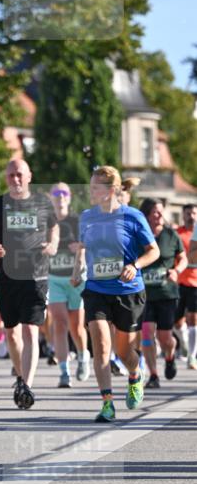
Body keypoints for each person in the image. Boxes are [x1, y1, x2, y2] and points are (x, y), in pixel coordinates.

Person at [71, 166, 159, 423]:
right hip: (96, 289)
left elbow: (152, 251)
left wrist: (135, 266)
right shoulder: (87, 217)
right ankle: (107, 403)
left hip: (128, 291)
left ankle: (135, 374)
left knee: (124, 353)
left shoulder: (133, 217)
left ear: (110, 191)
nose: (90, 192)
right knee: (100, 347)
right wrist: (77, 271)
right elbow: (83, 249)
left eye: (95, 187)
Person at [0, 159, 59, 409]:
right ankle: (20, 375)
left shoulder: (43, 203)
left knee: (30, 330)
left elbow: (55, 229)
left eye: (20, 175)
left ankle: (27, 385)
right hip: (6, 277)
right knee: (11, 333)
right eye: (11, 175)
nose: (15, 180)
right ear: (6, 178)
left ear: (29, 176)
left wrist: (53, 244)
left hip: (35, 276)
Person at [138, 199, 187, 388]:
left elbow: (181, 258)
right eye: (155, 212)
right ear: (147, 215)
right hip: (145, 294)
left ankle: (170, 356)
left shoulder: (170, 234)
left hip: (167, 293)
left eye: (160, 212)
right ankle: (153, 375)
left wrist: (177, 271)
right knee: (147, 333)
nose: (159, 216)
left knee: (165, 337)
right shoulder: (140, 235)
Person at [47, 182, 90, 388]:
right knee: (60, 323)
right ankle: (64, 372)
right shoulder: (46, 221)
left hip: (75, 279)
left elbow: (87, 246)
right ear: (51, 197)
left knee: (77, 326)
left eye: (64, 192)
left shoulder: (76, 221)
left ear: (69, 197)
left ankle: (83, 356)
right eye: (56, 192)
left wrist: (80, 250)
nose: (60, 196)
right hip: (54, 278)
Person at [176, 204, 197, 369]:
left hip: (195, 282)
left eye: (194, 213)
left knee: (193, 318)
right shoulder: (177, 234)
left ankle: (192, 356)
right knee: (177, 322)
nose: (192, 216)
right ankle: (184, 345)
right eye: (188, 213)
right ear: (183, 215)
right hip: (178, 282)